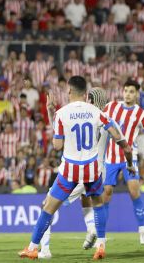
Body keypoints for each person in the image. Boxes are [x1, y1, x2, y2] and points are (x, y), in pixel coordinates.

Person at [18, 76, 134, 260]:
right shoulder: (97, 113)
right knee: (98, 204)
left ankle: (33, 247)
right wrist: (129, 161)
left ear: (69, 91)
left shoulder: (62, 113)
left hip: (70, 169)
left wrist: (51, 113)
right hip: (92, 168)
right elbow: (120, 140)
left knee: (48, 207)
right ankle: (101, 246)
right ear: (86, 93)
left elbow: (57, 145)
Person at [37, 87, 114, 259]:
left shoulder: (88, 116)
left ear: (91, 101)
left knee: (47, 205)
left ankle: (45, 250)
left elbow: (63, 136)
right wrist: (51, 113)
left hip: (81, 168)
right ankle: (92, 229)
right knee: (86, 199)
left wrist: (52, 112)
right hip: (96, 170)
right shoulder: (101, 118)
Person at [103, 80, 144, 245]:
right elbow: (99, 118)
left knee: (134, 191)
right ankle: (100, 233)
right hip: (110, 157)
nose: (127, 94)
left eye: (131, 91)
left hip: (129, 158)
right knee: (106, 193)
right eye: (125, 90)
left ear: (137, 93)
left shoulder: (141, 113)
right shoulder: (111, 106)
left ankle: (142, 231)